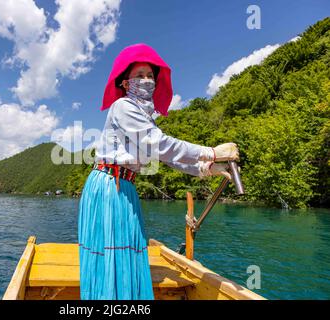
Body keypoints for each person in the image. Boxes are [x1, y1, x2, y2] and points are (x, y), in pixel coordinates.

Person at [77, 43, 239, 300]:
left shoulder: (143, 118)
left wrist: (205, 168)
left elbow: (164, 156)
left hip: (124, 186)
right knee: (113, 251)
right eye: (139, 75)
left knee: (125, 250)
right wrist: (210, 151)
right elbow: (159, 143)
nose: (146, 80)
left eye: (150, 76)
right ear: (125, 83)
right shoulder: (123, 107)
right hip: (109, 184)